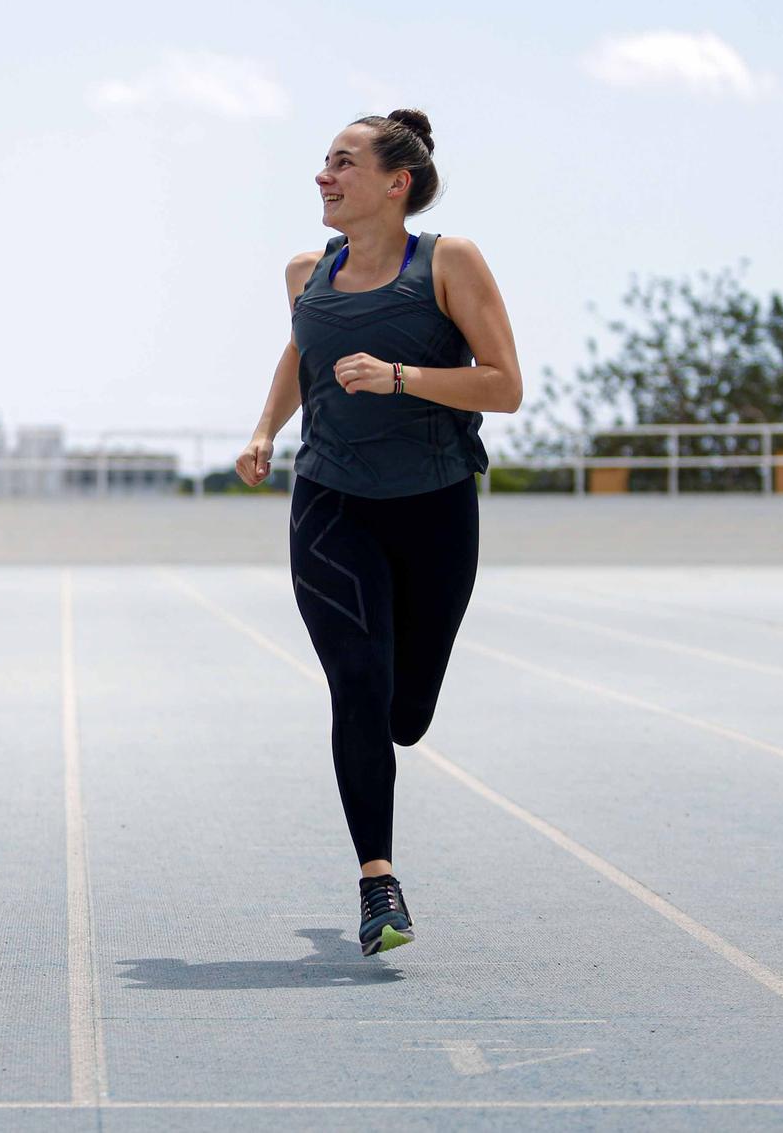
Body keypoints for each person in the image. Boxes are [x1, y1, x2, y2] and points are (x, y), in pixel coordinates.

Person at [235, 110, 520, 956]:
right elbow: (302, 352)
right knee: (356, 682)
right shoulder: (307, 270)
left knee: (405, 708)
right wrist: (265, 429)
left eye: (343, 163)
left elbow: (503, 386)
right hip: (330, 505)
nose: (324, 177)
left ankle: (399, 724)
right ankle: (377, 881)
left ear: (397, 183)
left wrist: (400, 378)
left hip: (435, 508)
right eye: (323, 164)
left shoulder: (448, 262)